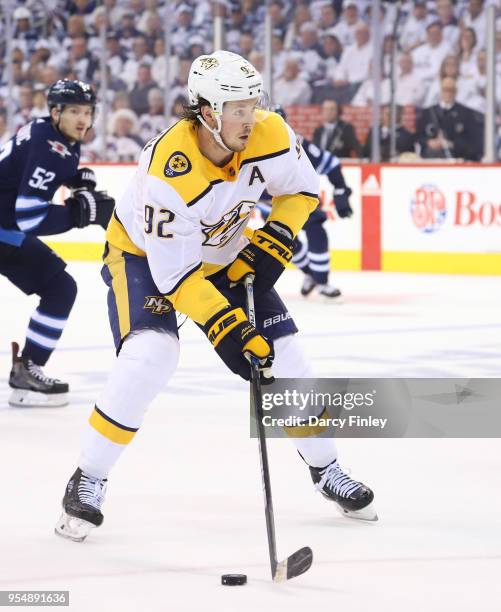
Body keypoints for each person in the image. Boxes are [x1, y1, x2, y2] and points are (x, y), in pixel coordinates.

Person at [54, 51, 376, 543]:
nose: (251, 118)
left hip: (226, 252)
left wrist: (275, 237)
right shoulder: (169, 168)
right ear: (206, 111)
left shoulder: (271, 132)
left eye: (254, 104)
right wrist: (229, 327)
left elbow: (302, 192)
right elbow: (178, 277)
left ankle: (327, 468)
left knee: (288, 358)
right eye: (238, 109)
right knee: (151, 355)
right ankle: (89, 477)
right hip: (143, 258)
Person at [0, 80, 115, 407]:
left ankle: (28, 369)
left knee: (60, 287)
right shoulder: (52, 148)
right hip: (5, 231)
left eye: (88, 111)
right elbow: (29, 217)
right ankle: (28, 370)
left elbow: (23, 174)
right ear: (55, 112)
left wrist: (73, 179)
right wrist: (80, 214)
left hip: (5, 230)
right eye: (75, 111)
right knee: (59, 288)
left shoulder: (45, 131)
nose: (83, 118)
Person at [259, 104, 353, 299]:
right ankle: (311, 274)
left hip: (298, 201)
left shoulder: (297, 144)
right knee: (286, 243)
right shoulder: (248, 146)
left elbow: (331, 163)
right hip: (269, 207)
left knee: (315, 229)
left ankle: (321, 281)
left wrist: (341, 190)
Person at [417, 77, 483, 160]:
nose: (448, 93)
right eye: (445, 90)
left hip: (455, 158)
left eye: (451, 90)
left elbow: (472, 140)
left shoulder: (465, 114)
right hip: (431, 158)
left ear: (456, 92)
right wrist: (428, 142)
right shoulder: (428, 113)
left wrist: (451, 144)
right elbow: (418, 136)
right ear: (441, 91)